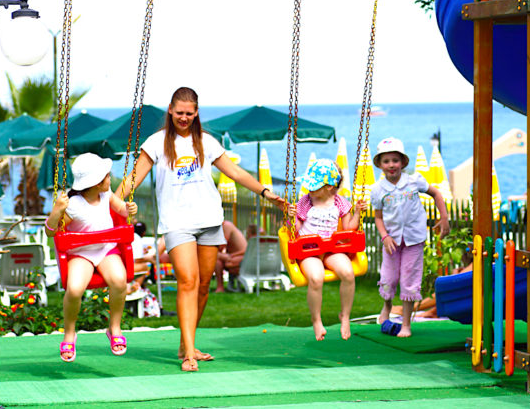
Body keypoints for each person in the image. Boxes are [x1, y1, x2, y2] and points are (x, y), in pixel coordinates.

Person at [119, 86, 285, 372]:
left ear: (196, 113)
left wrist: (265, 192)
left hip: (209, 221)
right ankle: (188, 355)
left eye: (189, 113)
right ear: (170, 110)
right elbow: (133, 178)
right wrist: (108, 202)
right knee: (188, 281)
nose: (183, 118)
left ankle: (187, 343)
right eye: (179, 113)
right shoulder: (156, 142)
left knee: (204, 286)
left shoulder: (206, 142)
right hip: (177, 223)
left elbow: (235, 172)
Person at [44, 153, 138, 362]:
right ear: (96, 182)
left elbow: (121, 210)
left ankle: (114, 327)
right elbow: (51, 232)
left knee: (119, 280)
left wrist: (129, 208)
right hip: (81, 253)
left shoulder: (106, 195)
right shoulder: (73, 205)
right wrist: (57, 211)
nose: (110, 179)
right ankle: (70, 333)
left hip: (105, 250)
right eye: (107, 176)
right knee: (75, 288)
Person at [370, 137, 450, 338]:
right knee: (388, 279)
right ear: (379, 164)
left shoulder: (414, 181)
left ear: (403, 162)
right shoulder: (378, 190)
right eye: (386, 161)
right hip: (392, 241)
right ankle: (387, 306)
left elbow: (436, 193)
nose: (391, 165)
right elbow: (378, 217)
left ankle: (406, 324)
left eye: (395, 160)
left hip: (414, 239)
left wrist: (444, 217)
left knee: (409, 281)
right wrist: (384, 236)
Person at [287, 159, 367, 341]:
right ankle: (316, 320)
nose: (308, 188)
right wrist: (292, 218)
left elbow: (348, 229)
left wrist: (357, 213)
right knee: (316, 278)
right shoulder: (305, 202)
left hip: (332, 249)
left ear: (330, 187)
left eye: (313, 185)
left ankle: (345, 316)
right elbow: (296, 230)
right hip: (309, 251)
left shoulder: (340, 203)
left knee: (348, 273)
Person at [213, 220, 247, 293]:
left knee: (215, 255)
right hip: (238, 257)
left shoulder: (226, 226)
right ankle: (220, 286)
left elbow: (221, 245)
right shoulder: (226, 225)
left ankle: (220, 287)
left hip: (241, 259)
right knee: (216, 256)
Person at [131, 221, 158, 292]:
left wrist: (143, 253)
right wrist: (149, 259)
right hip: (126, 267)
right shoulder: (137, 239)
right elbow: (137, 260)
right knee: (144, 266)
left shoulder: (132, 236)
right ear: (144, 232)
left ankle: (137, 286)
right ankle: (136, 289)